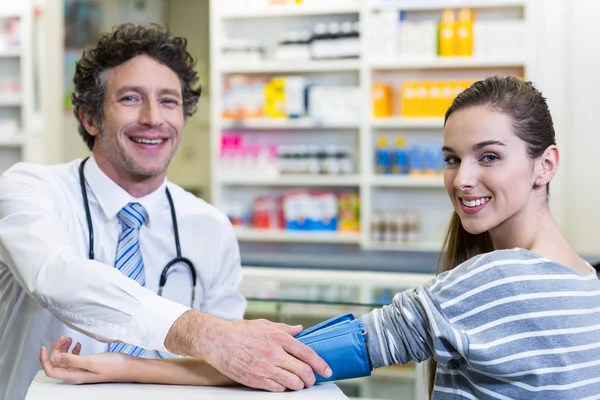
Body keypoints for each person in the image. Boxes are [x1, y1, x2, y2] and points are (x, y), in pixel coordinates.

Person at [40, 76, 600, 398]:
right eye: (452, 159)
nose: (463, 179)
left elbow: (303, 359)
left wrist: (127, 365)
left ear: (545, 164)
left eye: (490, 157)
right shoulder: (585, 283)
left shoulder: (497, 280)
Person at [0, 23, 330, 400]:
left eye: (169, 101)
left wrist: (132, 368)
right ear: (90, 118)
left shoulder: (209, 226)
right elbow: (57, 278)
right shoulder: (31, 190)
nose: (153, 117)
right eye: (130, 98)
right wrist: (202, 332)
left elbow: (229, 365)